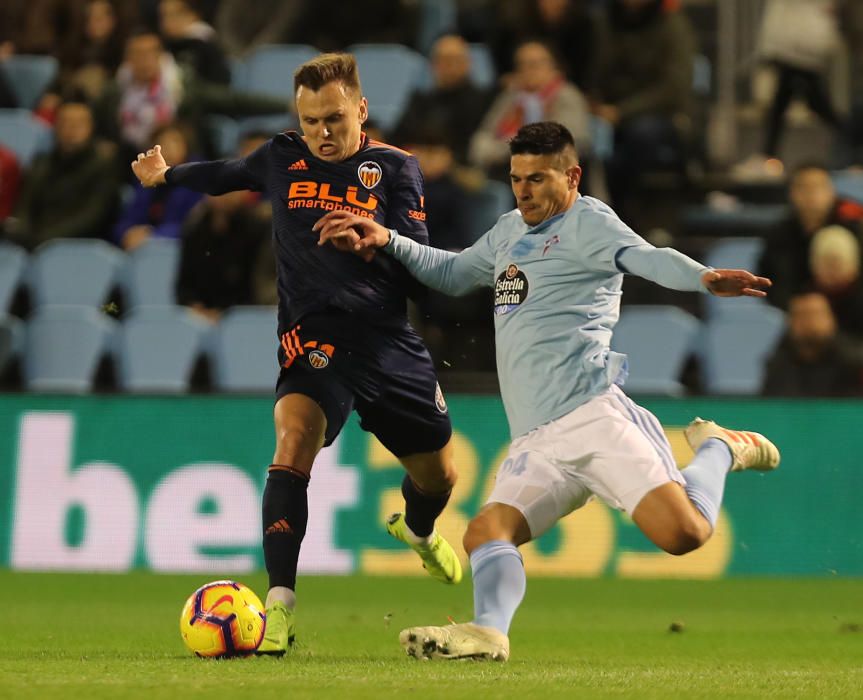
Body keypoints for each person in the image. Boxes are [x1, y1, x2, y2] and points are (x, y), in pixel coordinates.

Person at [316, 121, 780, 661]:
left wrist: (703, 277)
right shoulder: (509, 230)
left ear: (572, 175)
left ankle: (720, 448)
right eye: (515, 178)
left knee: (685, 536)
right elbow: (453, 272)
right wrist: (388, 239)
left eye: (537, 178)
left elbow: (649, 257)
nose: (523, 190)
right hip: (536, 439)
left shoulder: (590, 223)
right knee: (486, 531)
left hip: (592, 417)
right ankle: (489, 631)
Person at [130, 52, 462, 656]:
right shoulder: (283, 156)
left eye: (334, 118)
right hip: (314, 337)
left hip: (387, 343)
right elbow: (228, 173)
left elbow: (423, 277)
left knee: (440, 477)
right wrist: (167, 176)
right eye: (310, 121)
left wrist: (370, 247)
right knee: (292, 441)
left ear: (361, 110)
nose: (322, 133)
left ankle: (416, 530)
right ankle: (279, 607)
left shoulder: (395, 170)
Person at [5, 98, 119, 250]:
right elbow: (24, 205)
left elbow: (93, 215)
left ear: (91, 128)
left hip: (78, 245)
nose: (70, 129)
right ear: (55, 127)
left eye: (78, 124)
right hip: (33, 240)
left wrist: (46, 239)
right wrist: (22, 231)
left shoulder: (104, 166)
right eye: (64, 123)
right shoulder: (42, 162)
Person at [469, 40, 590, 179]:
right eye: (522, 65)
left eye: (534, 65)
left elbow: (562, 141)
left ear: (553, 67)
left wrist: (505, 150)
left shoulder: (566, 96)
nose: (528, 71)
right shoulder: (511, 95)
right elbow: (485, 132)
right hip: (503, 165)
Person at [391, 34, 491, 164]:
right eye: (444, 60)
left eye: (456, 59)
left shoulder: (483, 101)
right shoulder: (420, 101)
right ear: (433, 65)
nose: (450, 65)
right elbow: (397, 139)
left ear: (468, 63)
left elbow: (476, 146)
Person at [762, 291, 863, 397]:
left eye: (815, 314)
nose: (808, 321)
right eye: (800, 315)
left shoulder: (855, 363)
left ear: (831, 319)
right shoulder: (778, 364)